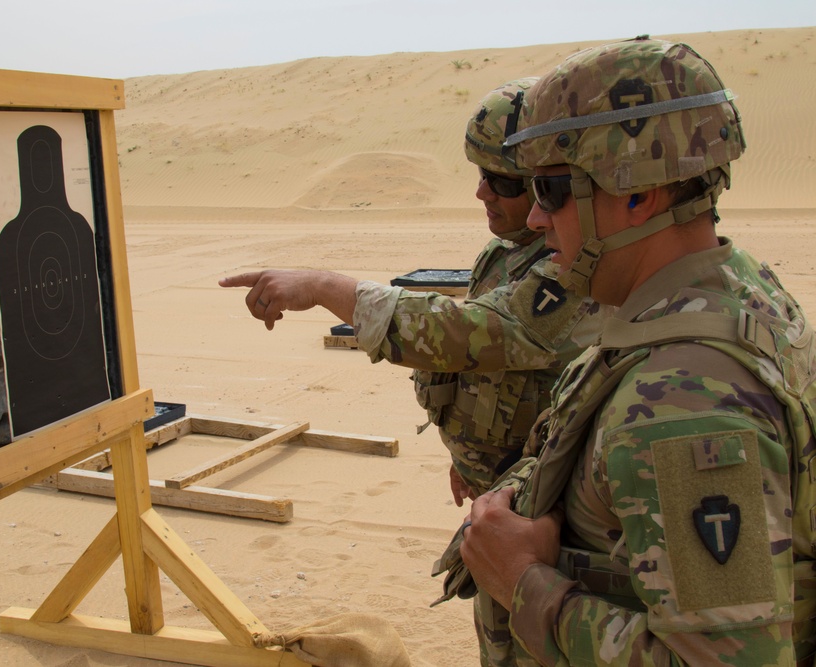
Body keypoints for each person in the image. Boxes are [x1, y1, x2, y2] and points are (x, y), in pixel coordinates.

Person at [220, 78, 609, 663]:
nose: (482, 193)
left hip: (550, 523)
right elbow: (493, 370)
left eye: (501, 181)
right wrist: (469, 455)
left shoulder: (573, 265)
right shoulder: (507, 255)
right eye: (479, 175)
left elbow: (478, 333)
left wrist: (327, 288)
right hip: (504, 497)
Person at [460, 37, 816, 665]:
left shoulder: (683, 402)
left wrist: (522, 583)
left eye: (551, 190)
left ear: (637, 196)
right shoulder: (739, 292)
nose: (538, 221)